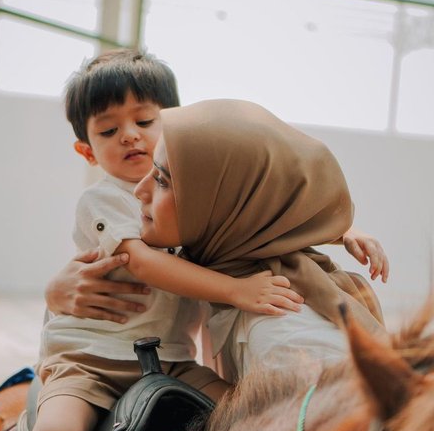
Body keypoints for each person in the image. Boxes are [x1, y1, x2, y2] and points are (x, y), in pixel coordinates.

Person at [0, 50, 303, 431]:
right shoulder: (106, 199)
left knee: (249, 413)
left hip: (168, 360)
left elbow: (266, 208)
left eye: (144, 120)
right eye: (108, 131)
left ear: (174, 126)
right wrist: (236, 291)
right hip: (90, 360)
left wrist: (343, 231)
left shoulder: (193, 197)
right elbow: (142, 262)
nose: (130, 135)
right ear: (87, 151)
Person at [134, 99, 388, 379]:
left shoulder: (283, 339)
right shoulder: (226, 267)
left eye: (161, 180)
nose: (138, 190)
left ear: (224, 206)